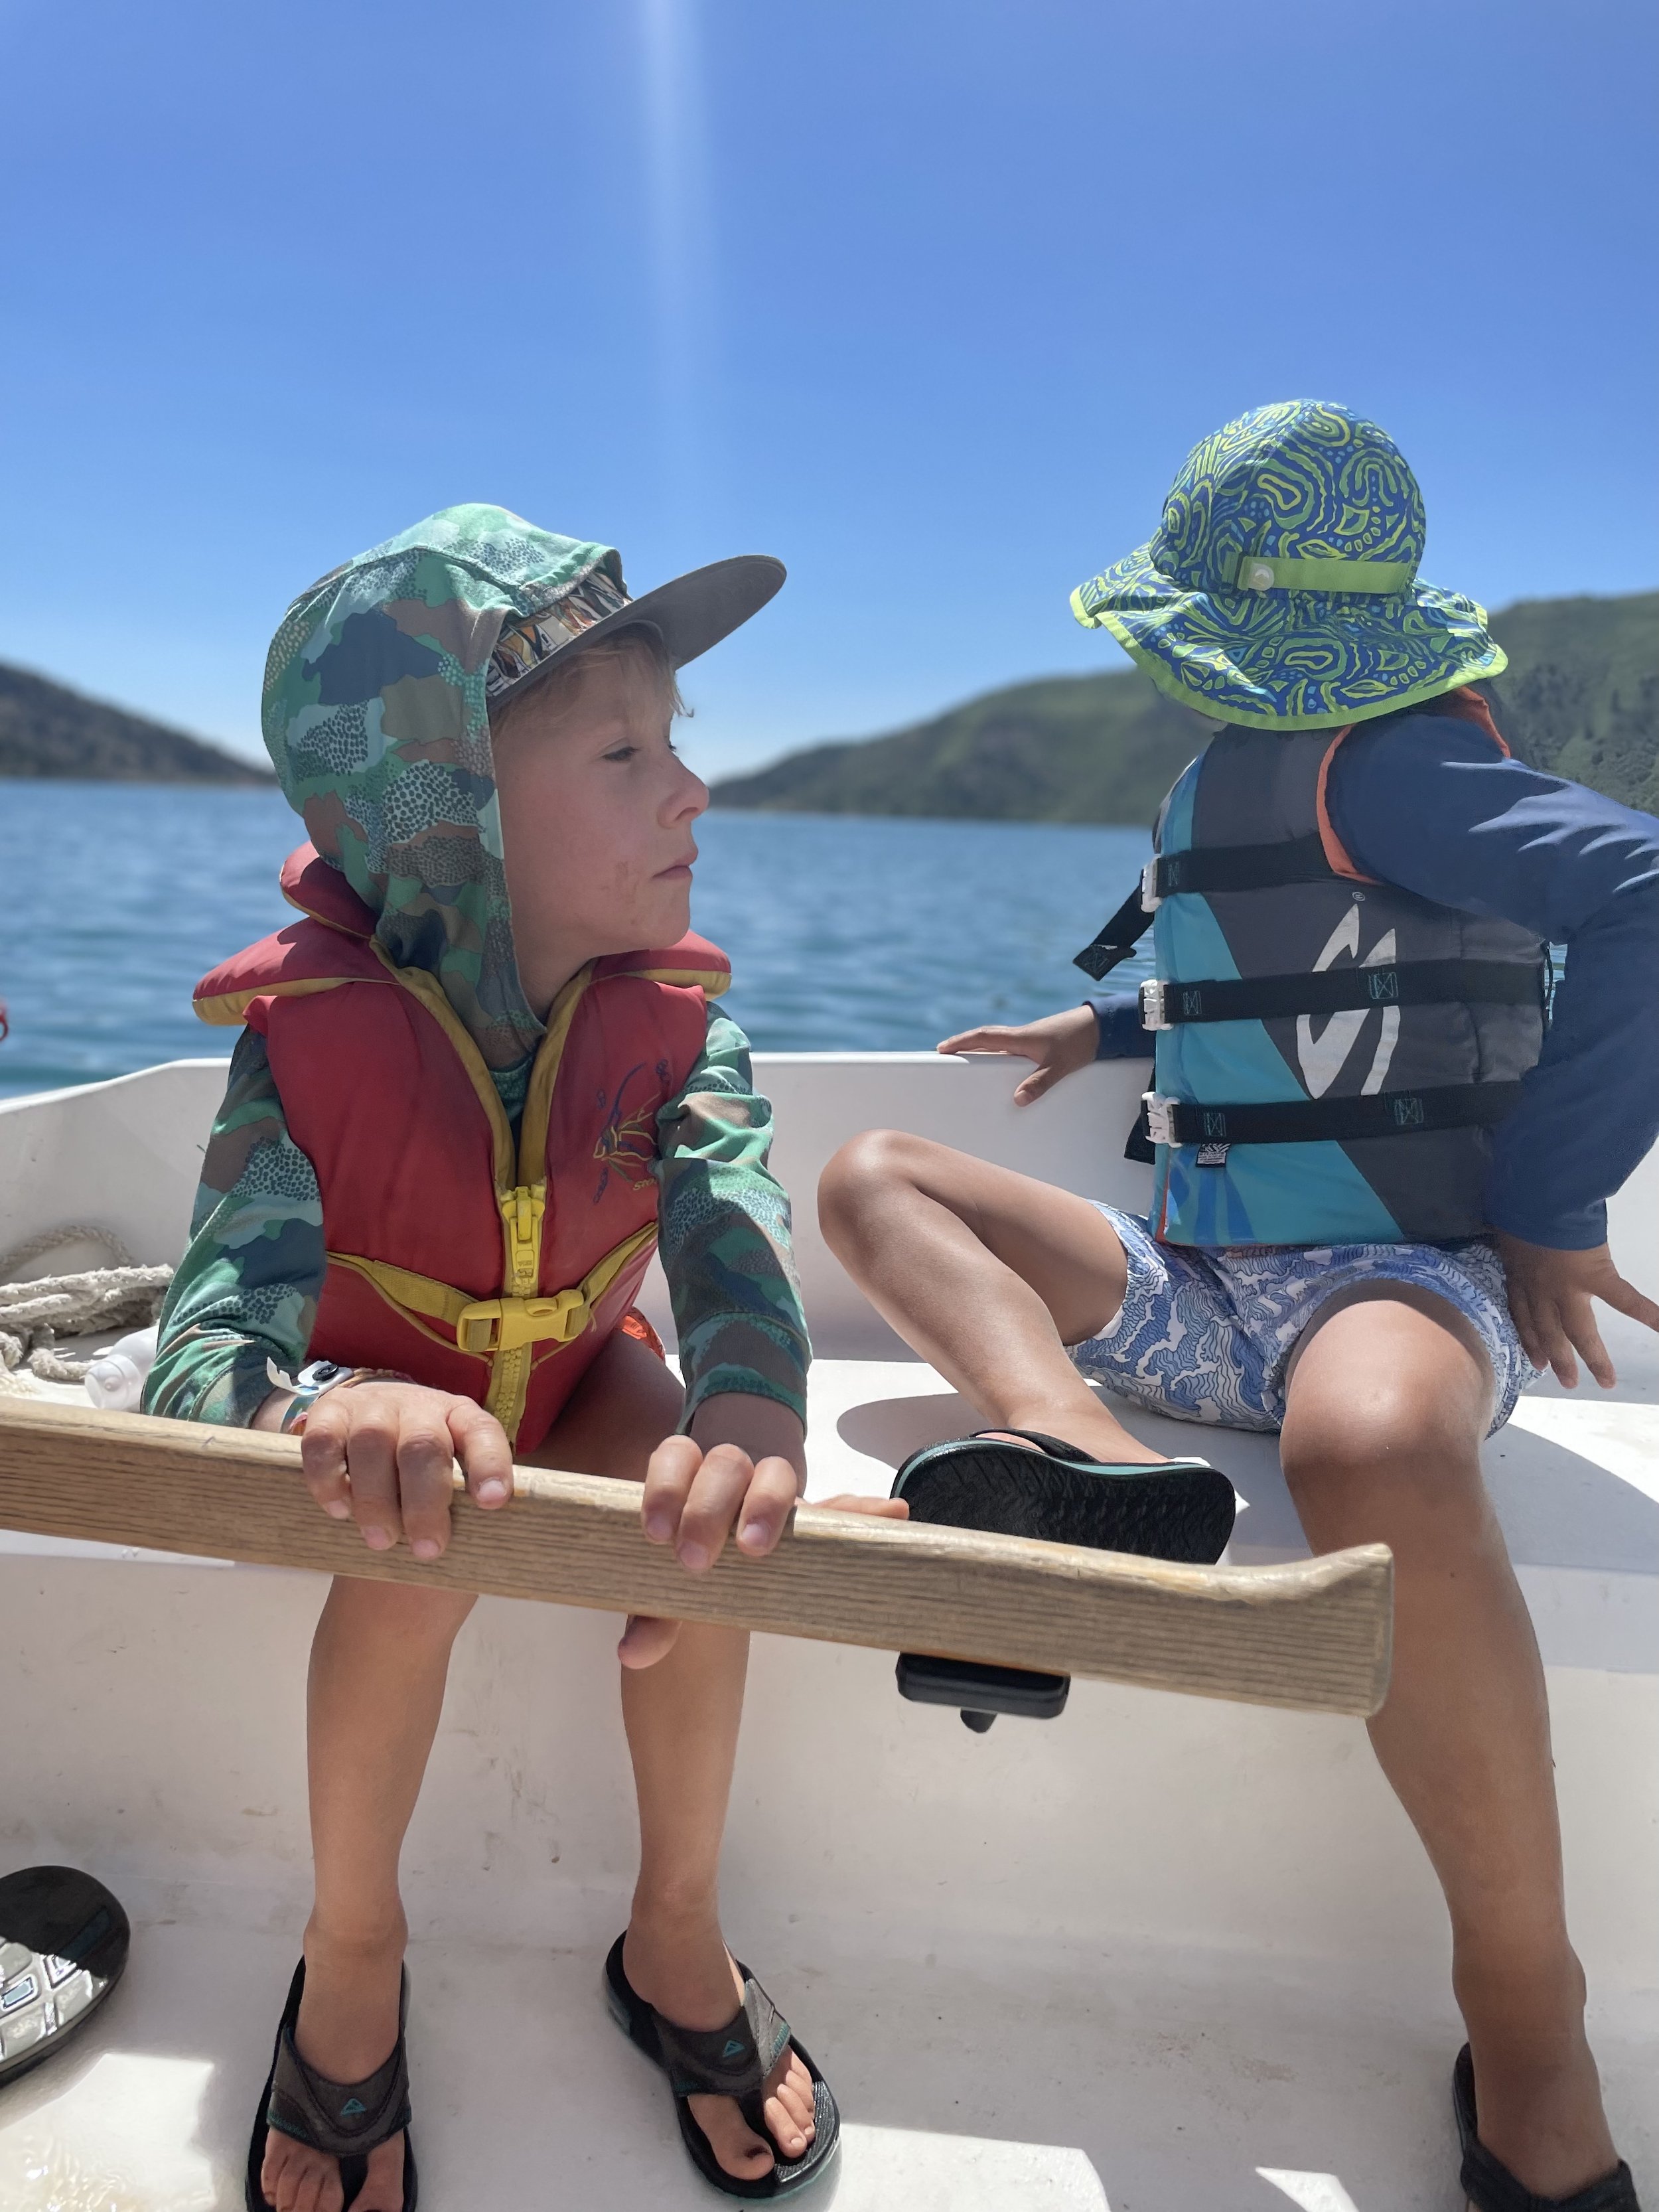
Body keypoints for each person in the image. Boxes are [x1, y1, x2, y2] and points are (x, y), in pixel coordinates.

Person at [818, 404, 1658, 2212]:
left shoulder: (1400, 764)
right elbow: (1284, 978)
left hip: (1396, 1277)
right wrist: (1096, 1028)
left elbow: (1643, 887)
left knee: (1368, 1442)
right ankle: (1085, 1453)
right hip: (1196, 1288)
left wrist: (1549, 1205)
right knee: (872, 1174)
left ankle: (1526, 2017)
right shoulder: (1241, 777)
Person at [147, 505, 899, 2212]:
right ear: (455, 818)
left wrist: (754, 1407)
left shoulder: (683, 1022)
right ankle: (353, 1944)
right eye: (624, 750)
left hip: (570, 1374)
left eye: (674, 745)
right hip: (385, 1422)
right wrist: (329, 1403)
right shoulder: (300, 1049)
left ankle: (676, 1932)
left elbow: (727, 1239)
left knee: (708, 1519)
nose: (688, 790)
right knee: (419, 1550)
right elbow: (204, 1346)